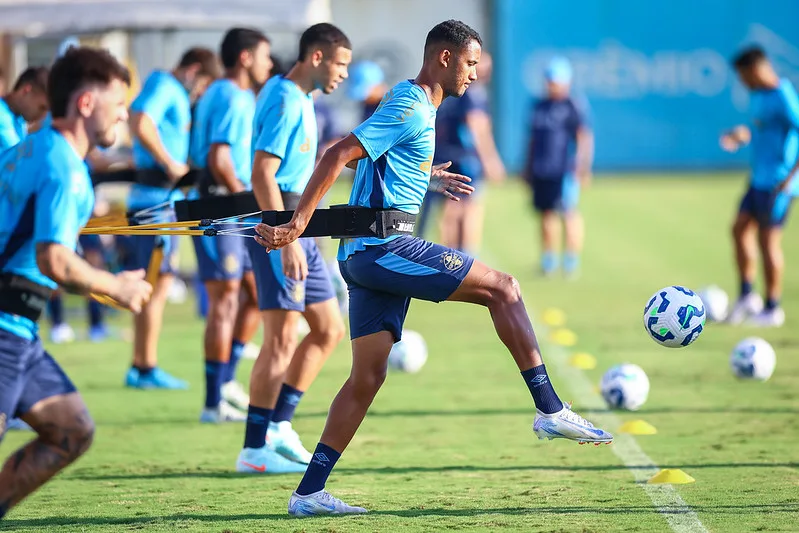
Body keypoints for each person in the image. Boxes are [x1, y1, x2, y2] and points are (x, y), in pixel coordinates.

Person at [253, 19, 612, 516]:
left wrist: (425, 175)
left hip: (363, 256)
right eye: (469, 64)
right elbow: (338, 153)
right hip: (383, 248)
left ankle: (308, 492)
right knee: (504, 288)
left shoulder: (416, 102)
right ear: (443, 58)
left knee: (366, 378)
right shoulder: (410, 103)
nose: (474, 74)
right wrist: (296, 225)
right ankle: (550, 409)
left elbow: (377, 158)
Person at [0, 46, 152, 520]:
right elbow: (55, 261)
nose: (125, 114)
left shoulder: (32, 145)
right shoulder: (63, 165)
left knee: (71, 429)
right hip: (2, 327)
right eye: (119, 102)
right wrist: (115, 287)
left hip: (19, 333)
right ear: (86, 103)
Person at [236, 23, 350, 475]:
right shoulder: (284, 98)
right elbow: (262, 172)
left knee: (327, 328)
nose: (344, 73)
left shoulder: (300, 98)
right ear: (317, 58)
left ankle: (279, 426)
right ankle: (253, 448)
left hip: (294, 227)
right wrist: (284, 236)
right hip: (278, 227)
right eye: (340, 63)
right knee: (281, 338)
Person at [124, 47, 221, 390]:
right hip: (155, 203)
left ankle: (143, 364)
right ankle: (144, 366)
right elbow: (139, 117)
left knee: (158, 283)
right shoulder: (165, 84)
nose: (199, 93)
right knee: (154, 283)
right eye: (203, 84)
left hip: (165, 202)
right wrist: (170, 163)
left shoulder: (174, 90)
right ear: (194, 70)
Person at [189, 28, 272, 422]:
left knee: (255, 294)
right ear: (245, 58)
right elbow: (220, 159)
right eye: (264, 56)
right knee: (224, 301)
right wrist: (246, 201)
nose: (269, 64)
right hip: (217, 210)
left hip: (228, 209)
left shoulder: (230, 95)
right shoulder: (230, 96)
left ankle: (225, 382)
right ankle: (212, 402)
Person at [721, 46, 799, 327]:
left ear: (756, 70)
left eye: (743, 75)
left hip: (779, 183)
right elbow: (760, 131)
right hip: (758, 180)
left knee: (768, 243)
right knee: (739, 229)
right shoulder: (758, 97)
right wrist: (742, 135)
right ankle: (746, 296)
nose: (742, 81)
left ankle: (773, 307)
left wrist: (791, 178)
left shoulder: (783, 95)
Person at [427, 50, 505, 254]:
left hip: (446, 156)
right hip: (466, 159)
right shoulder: (472, 94)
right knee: (468, 209)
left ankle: (449, 256)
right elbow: (477, 127)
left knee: (451, 209)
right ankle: (465, 257)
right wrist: (490, 160)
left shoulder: (451, 92)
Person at [522, 57, 593, 278]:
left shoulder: (572, 105)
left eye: (555, 81)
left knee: (568, 212)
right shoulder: (538, 105)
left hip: (564, 170)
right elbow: (532, 139)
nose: (551, 85)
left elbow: (583, 137)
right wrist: (527, 166)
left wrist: (582, 166)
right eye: (549, 81)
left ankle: (571, 261)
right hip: (541, 169)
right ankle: (548, 260)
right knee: (545, 214)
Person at [0, 67, 49, 152]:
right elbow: (19, 155)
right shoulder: (2, 116)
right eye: (42, 108)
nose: (42, 116)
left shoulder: (18, 119)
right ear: (26, 91)